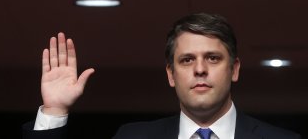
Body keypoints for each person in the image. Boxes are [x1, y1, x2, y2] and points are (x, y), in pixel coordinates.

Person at [22, 13, 301, 139]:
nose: (200, 69)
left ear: (235, 69)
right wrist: (55, 110)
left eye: (213, 58)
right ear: (171, 74)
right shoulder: (132, 137)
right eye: (187, 59)